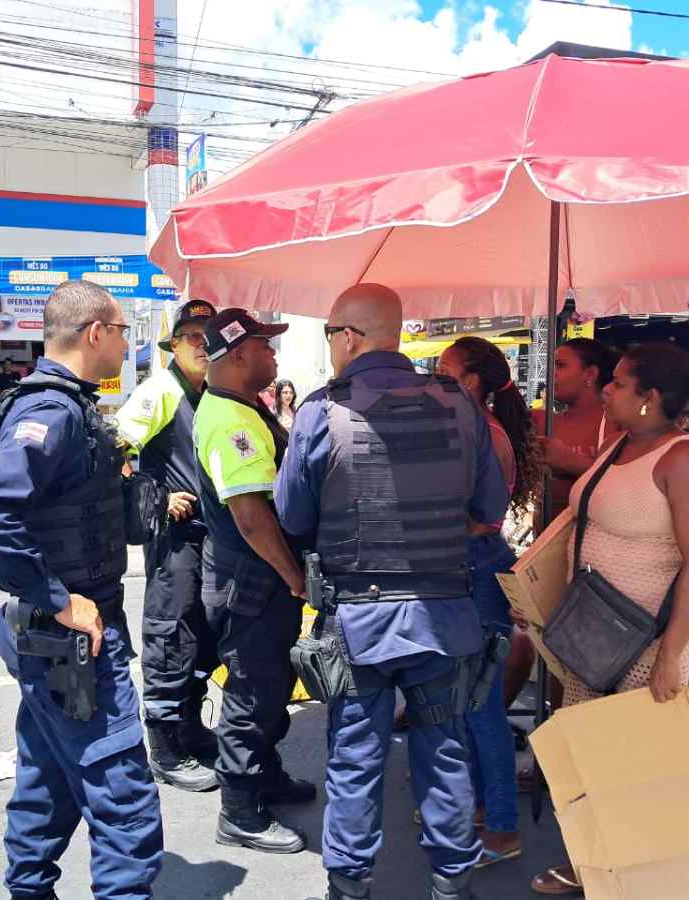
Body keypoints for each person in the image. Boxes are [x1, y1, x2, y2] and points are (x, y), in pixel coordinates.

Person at [277, 284, 510, 900]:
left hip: (357, 623)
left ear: (348, 337)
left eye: (330, 334)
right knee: (445, 751)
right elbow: (490, 506)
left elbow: (294, 516)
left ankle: (349, 886)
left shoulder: (320, 412)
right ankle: (452, 883)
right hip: (446, 618)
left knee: (355, 758)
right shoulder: (460, 405)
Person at [0, 280, 163, 899]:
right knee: (124, 797)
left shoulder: (65, 405)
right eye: (124, 331)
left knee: (46, 777)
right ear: (96, 332)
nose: (127, 343)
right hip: (70, 636)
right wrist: (60, 598)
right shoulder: (51, 411)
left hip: (56, 638)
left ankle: (29, 887)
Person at [531, 342, 689, 896]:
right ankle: (596, 860)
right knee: (594, 750)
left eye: (618, 382)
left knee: (635, 761)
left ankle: (631, 871)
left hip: (645, 642)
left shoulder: (684, 460)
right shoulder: (619, 444)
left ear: (650, 397)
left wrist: (669, 659)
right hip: (594, 634)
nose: (607, 390)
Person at [192, 307, 314, 855]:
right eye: (267, 347)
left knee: (269, 690)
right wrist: (294, 577)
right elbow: (251, 514)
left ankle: (264, 775)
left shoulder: (241, 406)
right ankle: (239, 809)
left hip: (255, 581)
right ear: (240, 353)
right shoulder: (231, 420)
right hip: (254, 583)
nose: (274, 356)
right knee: (251, 694)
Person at [437, 336, 543, 868]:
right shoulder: (479, 428)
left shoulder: (481, 432)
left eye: (444, 369)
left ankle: (501, 827)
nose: (435, 376)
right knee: (471, 703)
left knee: (481, 708)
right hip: (474, 565)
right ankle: (483, 808)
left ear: (471, 382)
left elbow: (477, 517)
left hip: (476, 565)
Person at [115, 298, 221, 793]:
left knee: (202, 634)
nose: (202, 345)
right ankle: (164, 748)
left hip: (208, 537)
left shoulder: (210, 393)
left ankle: (190, 728)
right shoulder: (162, 390)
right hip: (175, 538)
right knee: (170, 633)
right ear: (174, 345)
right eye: (192, 337)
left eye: (208, 336)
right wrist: (154, 495)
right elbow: (114, 449)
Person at [532, 339, 619, 523]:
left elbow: (629, 487)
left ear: (590, 374)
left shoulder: (615, 424)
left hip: (590, 542)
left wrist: (569, 461)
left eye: (560, 365)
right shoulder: (543, 421)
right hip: (545, 542)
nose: (551, 373)